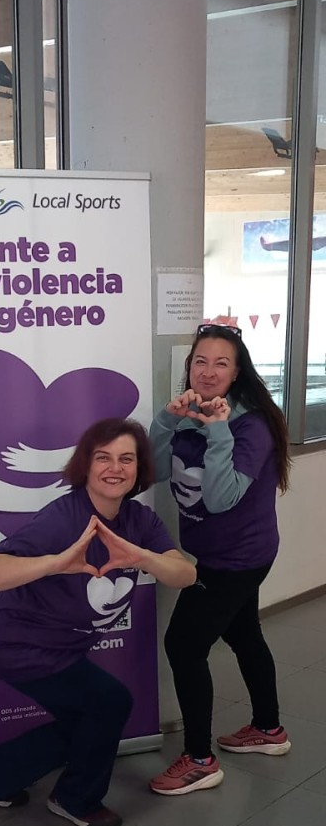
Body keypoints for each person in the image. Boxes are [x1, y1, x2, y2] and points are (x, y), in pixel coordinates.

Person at [0, 417, 196, 826]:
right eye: (103, 458)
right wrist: (55, 563)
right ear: (86, 465)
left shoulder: (139, 521)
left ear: (139, 468)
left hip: (61, 647)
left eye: (126, 459)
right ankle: (75, 799)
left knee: (88, 717)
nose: (115, 468)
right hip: (17, 644)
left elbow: (185, 574)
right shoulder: (64, 519)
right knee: (109, 703)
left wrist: (143, 557)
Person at [148, 320, 291, 796]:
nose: (208, 372)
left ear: (237, 372)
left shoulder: (252, 425)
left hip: (236, 559)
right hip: (213, 552)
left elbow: (220, 498)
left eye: (221, 364)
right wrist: (167, 420)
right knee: (244, 633)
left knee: (183, 645)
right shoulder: (190, 412)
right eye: (200, 362)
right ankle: (269, 729)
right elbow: (150, 471)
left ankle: (199, 760)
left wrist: (218, 431)